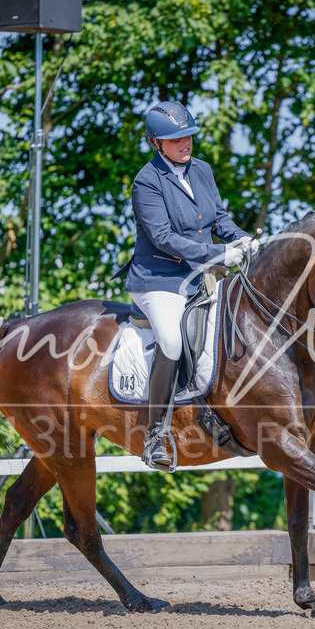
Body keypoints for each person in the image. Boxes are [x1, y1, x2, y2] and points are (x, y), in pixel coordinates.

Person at [124, 101, 258, 471]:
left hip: (199, 275)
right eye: (175, 138)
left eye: (188, 136)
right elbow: (163, 237)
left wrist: (243, 239)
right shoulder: (146, 181)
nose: (185, 143)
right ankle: (156, 435)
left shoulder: (202, 170)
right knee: (170, 340)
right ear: (156, 143)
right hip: (159, 279)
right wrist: (216, 254)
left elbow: (220, 218)